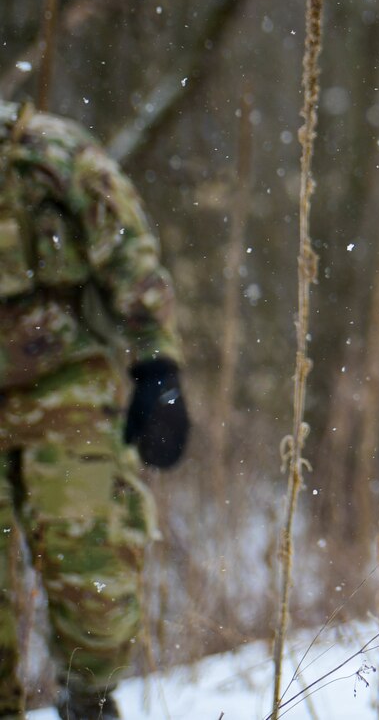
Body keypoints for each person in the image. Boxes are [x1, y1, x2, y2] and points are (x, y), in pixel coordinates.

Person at [0, 100, 188, 720]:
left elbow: (132, 258)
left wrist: (158, 368)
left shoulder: (52, 157)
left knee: (97, 597)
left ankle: (88, 699)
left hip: (67, 387)